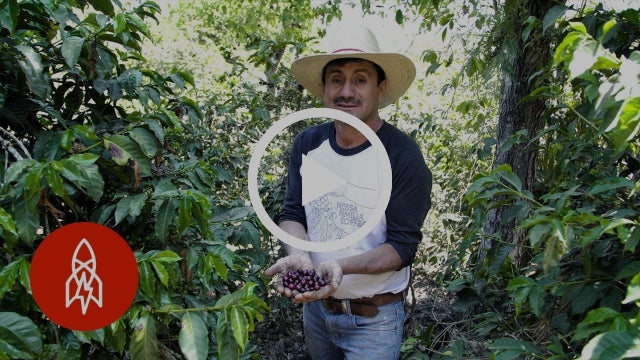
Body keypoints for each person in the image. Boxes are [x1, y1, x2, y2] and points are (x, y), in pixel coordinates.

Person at [264, 25, 432, 360]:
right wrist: (299, 255)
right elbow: (294, 214)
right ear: (324, 89)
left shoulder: (402, 155)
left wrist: (340, 265)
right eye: (337, 79)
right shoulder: (308, 143)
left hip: (374, 319)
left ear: (380, 89)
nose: (347, 91)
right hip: (316, 311)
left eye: (360, 79)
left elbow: (401, 247)